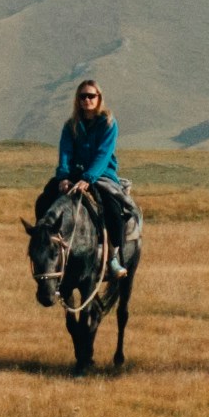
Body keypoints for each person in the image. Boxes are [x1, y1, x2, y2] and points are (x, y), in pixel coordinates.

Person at [47, 76, 137, 277]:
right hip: (74, 174)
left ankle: (113, 257)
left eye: (91, 96)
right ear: (77, 100)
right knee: (45, 198)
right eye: (82, 96)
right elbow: (65, 152)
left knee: (113, 209)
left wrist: (88, 178)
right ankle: (46, 246)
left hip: (101, 174)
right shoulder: (71, 125)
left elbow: (103, 154)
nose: (86, 100)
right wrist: (63, 176)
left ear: (98, 98)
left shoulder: (108, 123)